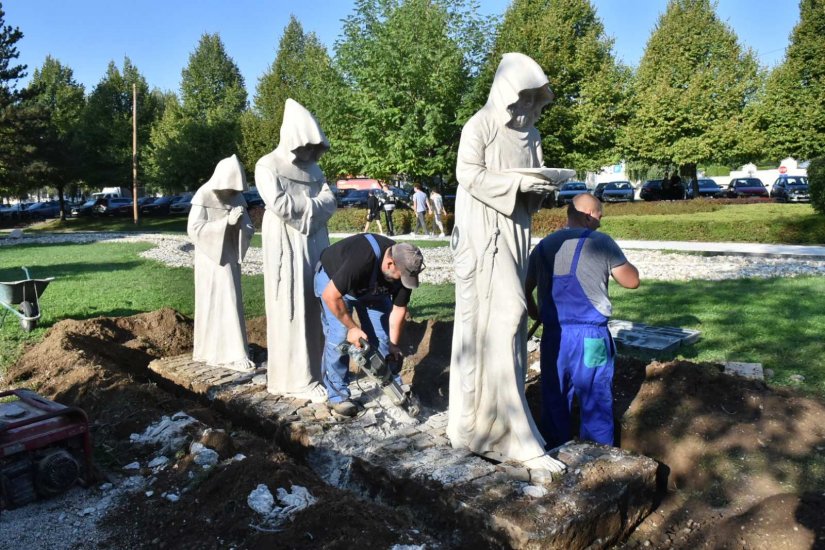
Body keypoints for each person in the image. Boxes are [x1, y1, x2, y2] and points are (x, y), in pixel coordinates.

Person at [447, 52, 564, 474]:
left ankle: (491, 427)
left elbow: (532, 185)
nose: (528, 109)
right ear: (506, 94)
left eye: (536, 100)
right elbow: (468, 175)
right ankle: (513, 431)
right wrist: (517, 184)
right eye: (523, 99)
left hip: (516, 232)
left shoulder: (530, 135)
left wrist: (542, 187)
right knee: (508, 315)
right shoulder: (478, 126)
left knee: (508, 330)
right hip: (484, 234)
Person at [525, 193, 640, 448]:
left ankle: (557, 453)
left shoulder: (544, 246)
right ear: (588, 215)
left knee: (554, 398)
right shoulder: (601, 243)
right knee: (596, 398)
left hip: (554, 338)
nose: (601, 220)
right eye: (599, 214)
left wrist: (535, 311)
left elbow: (524, 288)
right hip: (591, 339)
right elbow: (631, 281)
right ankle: (598, 457)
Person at [256, 98, 337, 403]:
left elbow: (331, 200)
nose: (311, 153)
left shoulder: (315, 169)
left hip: (316, 242)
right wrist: (318, 206)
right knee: (291, 304)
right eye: (307, 145)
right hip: (286, 244)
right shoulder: (267, 165)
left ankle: (317, 370)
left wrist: (317, 206)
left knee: (316, 301)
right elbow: (279, 205)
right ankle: (295, 378)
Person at [314, 234, 425, 417]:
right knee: (340, 336)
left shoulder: (405, 270)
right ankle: (338, 396)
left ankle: (392, 388)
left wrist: (393, 345)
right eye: (401, 277)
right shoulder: (362, 258)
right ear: (390, 264)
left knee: (383, 336)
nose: (403, 282)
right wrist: (352, 328)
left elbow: (398, 312)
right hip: (333, 283)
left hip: (372, 291)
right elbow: (330, 296)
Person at [188, 154, 256, 372]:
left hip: (227, 255)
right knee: (215, 300)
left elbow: (248, 228)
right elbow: (195, 229)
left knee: (231, 299)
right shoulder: (204, 194)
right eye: (230, 189)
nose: (233, 194)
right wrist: (226, 222)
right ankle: (218, 352)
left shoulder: (236, 198)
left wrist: (239, 225)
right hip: (211, 258)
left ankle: (234, 351)